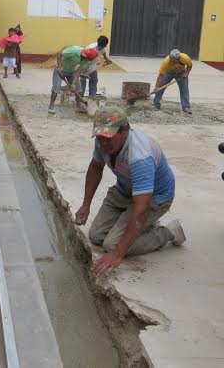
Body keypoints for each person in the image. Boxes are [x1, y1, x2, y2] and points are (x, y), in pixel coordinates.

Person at [75, 106, 186, 276]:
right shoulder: (102, 142)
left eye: (109, 137)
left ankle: (167, 232)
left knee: (112, 245)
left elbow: (142, 208)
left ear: (125, 130)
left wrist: (118, 254)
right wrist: (85, 205)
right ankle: (141, 227)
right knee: (96, 236)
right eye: (100, 136)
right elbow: (95, 168)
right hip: (125, 189)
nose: (104, 142)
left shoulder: (140, 156)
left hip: (154, 198)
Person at [47, 45, 99, 114]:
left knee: (78, 88)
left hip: (71, 71)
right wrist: (59, 67)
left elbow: (78, 72)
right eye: (87, 59)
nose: (86, 61)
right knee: (56, 87)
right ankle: (51, 106)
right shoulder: (73, 51)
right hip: (60, 69)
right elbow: (59, 53)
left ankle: (78, 107)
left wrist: (73, 84)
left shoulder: (87, 60)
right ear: (85, 55)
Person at [154, 49, 193, 114]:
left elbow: (190, 65)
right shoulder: (166, 61)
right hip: (168, 72)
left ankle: (186, 106)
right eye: (175, 60)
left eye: (178, 59)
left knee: (184, 89)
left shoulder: (185, 58)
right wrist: (157, 87)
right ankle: (156, 104)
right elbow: (161, 75)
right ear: (171, 58)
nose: (177, 61)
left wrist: (186, 73)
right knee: (161, 88)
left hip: (181, 72)